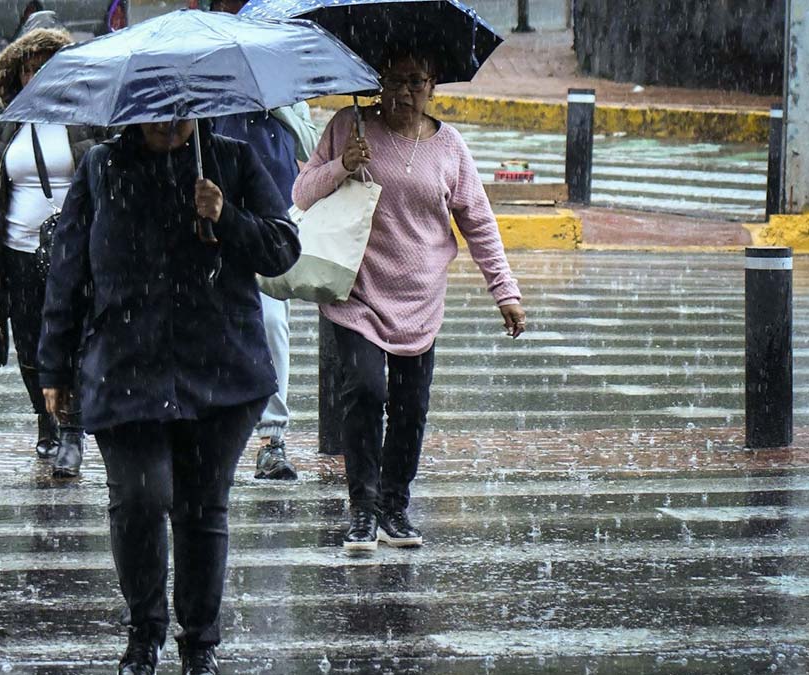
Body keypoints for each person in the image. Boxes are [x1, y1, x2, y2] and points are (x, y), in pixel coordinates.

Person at [38, 119, 299, 675]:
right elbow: (68, 269)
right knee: (138, 499)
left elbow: (282, 248)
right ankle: (144, 633)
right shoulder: (102, 167)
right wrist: (54, 365)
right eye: (155, 106)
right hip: (125, 365)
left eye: (181, 106)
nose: (168, 118)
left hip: (219, 369)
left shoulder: (231, 158)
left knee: (202, 508)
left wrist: (225, 215)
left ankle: (200, 643)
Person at [292, 48, 528, 555]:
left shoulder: (451, 148)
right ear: (379, 83)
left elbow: (478, 222)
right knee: (366, 391)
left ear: (433, 85)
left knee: (410, 407)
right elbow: (303, 190)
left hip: (420, 298)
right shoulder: (347, 125)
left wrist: (504, 291)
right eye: (393, 82)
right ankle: (362, 511)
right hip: (357, 293)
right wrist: (342, 165)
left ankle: (393, 508)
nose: (403, 94)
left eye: (415, 82)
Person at [0, 27, 104, 478]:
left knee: (76, 338)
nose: (39, 74)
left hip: (77, 251)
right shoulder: (2, 116)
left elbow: (110, 172)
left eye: (49, 64)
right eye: (30, 67)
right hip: (17, 251)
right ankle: (44, 417)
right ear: (17, 74)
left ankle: (72, 431)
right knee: (30, 341)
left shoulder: (87, 113)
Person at [207, 0, 319, 481]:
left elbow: (311, 149)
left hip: (272, 222)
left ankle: (272, 438)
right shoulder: (214, 82)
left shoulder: (289, 87)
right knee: (214, 323)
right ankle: (213, 426)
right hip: (217, 221)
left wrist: (278, 103)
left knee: (272, 324)